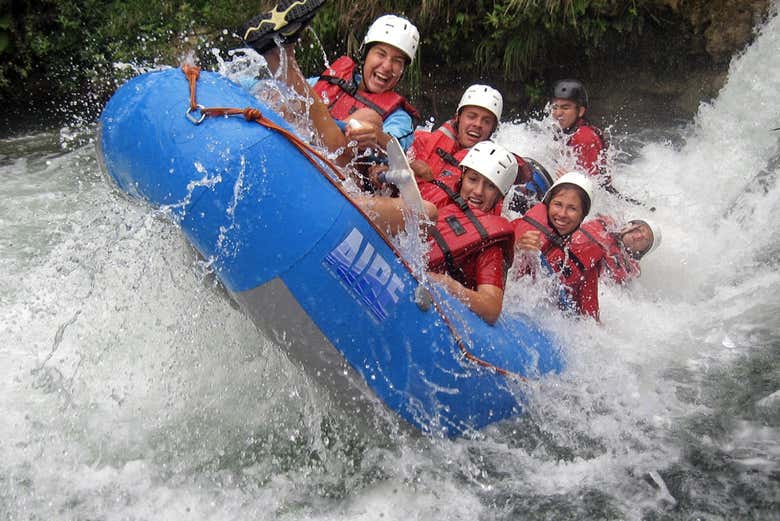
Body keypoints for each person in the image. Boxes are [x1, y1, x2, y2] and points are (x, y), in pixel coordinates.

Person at [357, 141, 518, 324]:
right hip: (385, 253)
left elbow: (491, 308)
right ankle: (347, 205)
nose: (478, 191)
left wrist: (448, 285)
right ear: (462, 177)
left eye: (490, 186)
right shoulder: (436, 190)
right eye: (473, 179)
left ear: (499, 196)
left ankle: (349, 205)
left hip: (413, 288)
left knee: (429, 211)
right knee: (427, 209)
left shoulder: (490, 246)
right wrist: (381, 173)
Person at [241, 3, 420, 160]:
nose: (387, 66)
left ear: (402, 71)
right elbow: (284, 91)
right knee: (283, 97)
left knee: (369, 117)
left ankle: (280, 56)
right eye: (381, 54)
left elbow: (398, 152)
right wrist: (237, 84)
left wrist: (378, 136)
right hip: (298, 146)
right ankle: (275, 55)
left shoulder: (400, 118)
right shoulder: (335, 79)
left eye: (397, 61)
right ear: (364, 55)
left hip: (338, 175)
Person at [513, 171, 604, 320]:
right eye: (557, 204)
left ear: (582, 215)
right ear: (548, 203)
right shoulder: (520, 226)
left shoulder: (586, 260)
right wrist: (515, 248)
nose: (562, 214)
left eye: (572, 208)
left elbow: (591, 319)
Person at [408, 84, 503, 181]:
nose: (478, 124)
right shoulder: (420, 140)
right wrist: (409, 166)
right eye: (471, 116)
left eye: (486, 121)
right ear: (458, 117)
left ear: (493, 129)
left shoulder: (494, 166)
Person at [550, 79, 608, 185]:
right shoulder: (566, 132)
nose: (558, 113)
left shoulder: (584, 137)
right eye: (555, 107)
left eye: (565, 108)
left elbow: (594, 185)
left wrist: (571, 180)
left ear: (580, 111)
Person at [577, 215, 662, 284]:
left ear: (641, 252)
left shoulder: (627, 270)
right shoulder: (607, 223)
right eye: (639, 230)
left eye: (644, 240)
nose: (638, 236)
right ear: (631, 225)